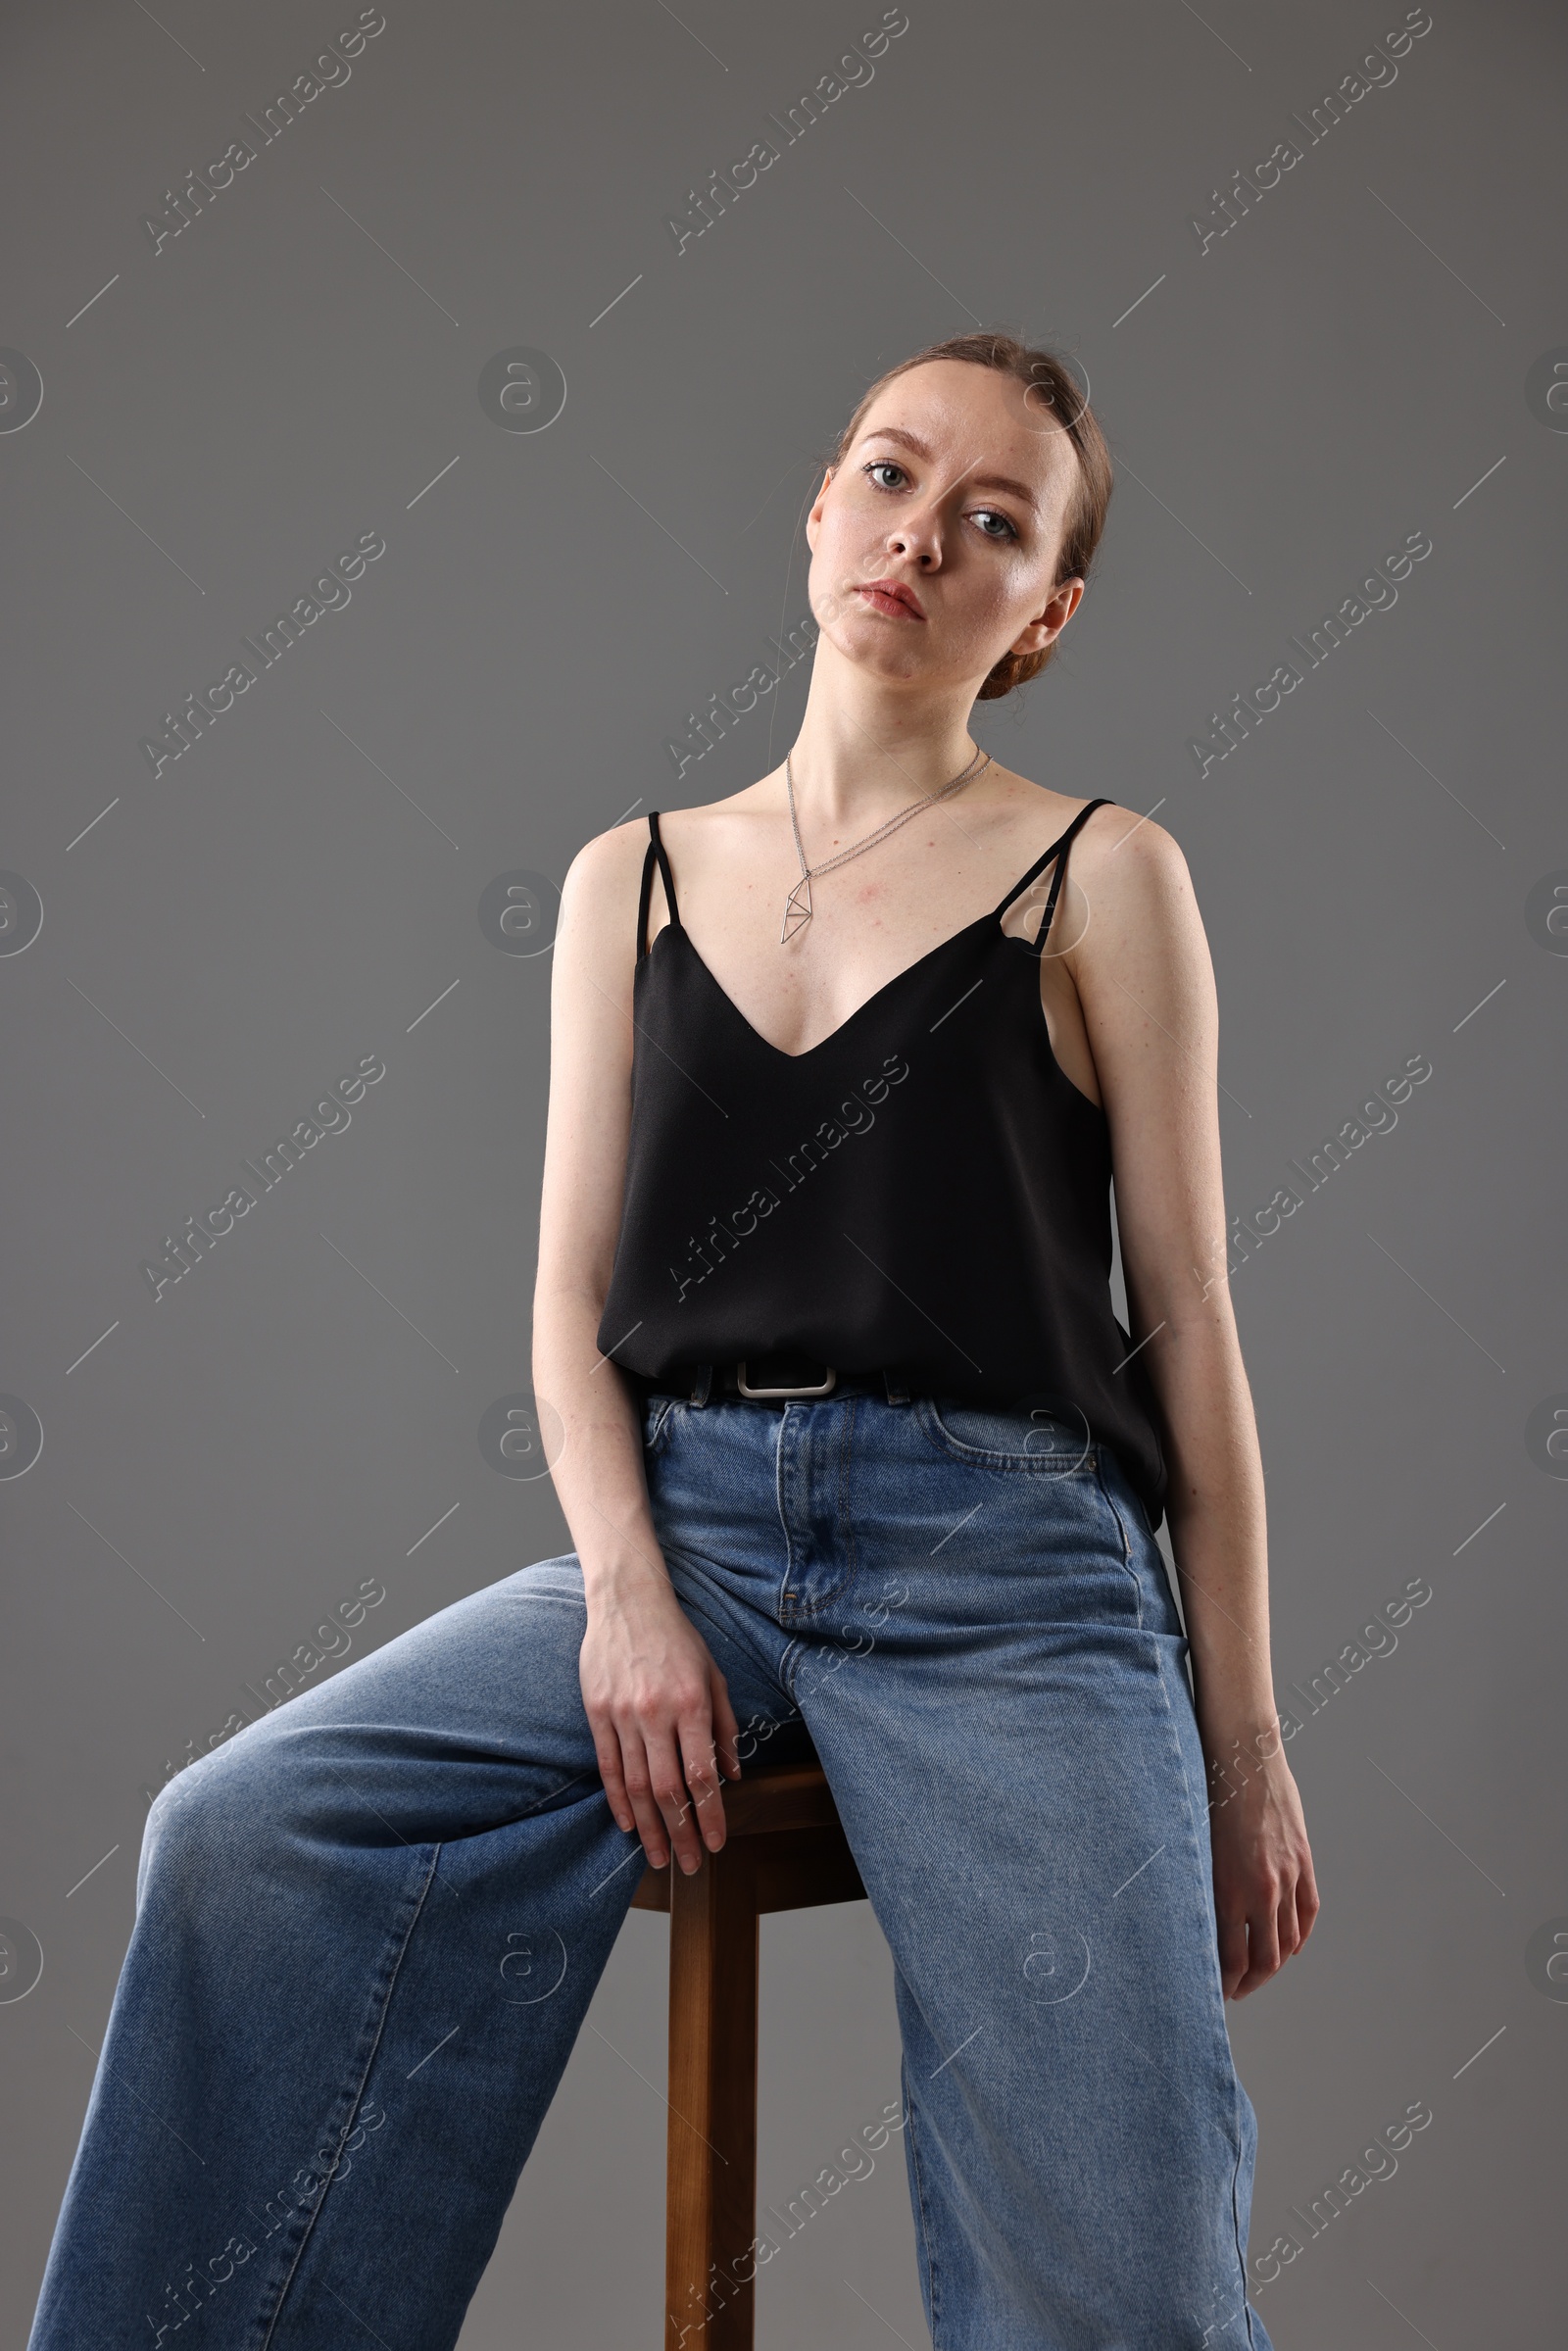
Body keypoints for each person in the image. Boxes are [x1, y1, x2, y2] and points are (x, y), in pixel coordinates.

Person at [28, 332, 1316, 2350]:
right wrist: (626, 1597)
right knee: (241, 1837)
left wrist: (1241, 1748)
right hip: (694, 1535)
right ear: (818, 505)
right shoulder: (626, 879)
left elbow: (1191, 1325)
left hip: (1012, 1584)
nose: (921, 535)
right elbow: (563, 1312)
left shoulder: (1102, 878)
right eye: (890, 478)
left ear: (1041, 612)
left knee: (1119, 2263)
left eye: (992, 523)